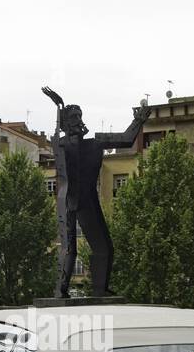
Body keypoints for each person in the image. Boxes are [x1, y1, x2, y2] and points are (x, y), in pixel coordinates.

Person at [42, 86, 149, 297]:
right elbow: (62, 146)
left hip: (88, 199)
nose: (78, 121)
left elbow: (126, 138)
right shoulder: (61, 144)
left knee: (104, 247)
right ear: (65, 124)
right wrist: (60, 109)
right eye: (73, 118)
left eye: (79, 116)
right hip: (68, 198)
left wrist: (139, 120)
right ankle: (60, 290)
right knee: (68, 247)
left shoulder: (95, 143)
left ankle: (100, 289)